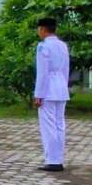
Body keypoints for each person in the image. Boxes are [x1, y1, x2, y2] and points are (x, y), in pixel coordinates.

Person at [34, 17, 70, 172]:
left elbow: (42, 73)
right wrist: (64, 86)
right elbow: (66, 69)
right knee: (59, 125)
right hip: (61, 86)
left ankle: (52, 160)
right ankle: (58, 158)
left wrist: (38, 94)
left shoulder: (43, 47)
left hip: (48, 88)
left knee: (48, 126)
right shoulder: (63, 46)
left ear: (42, 29)